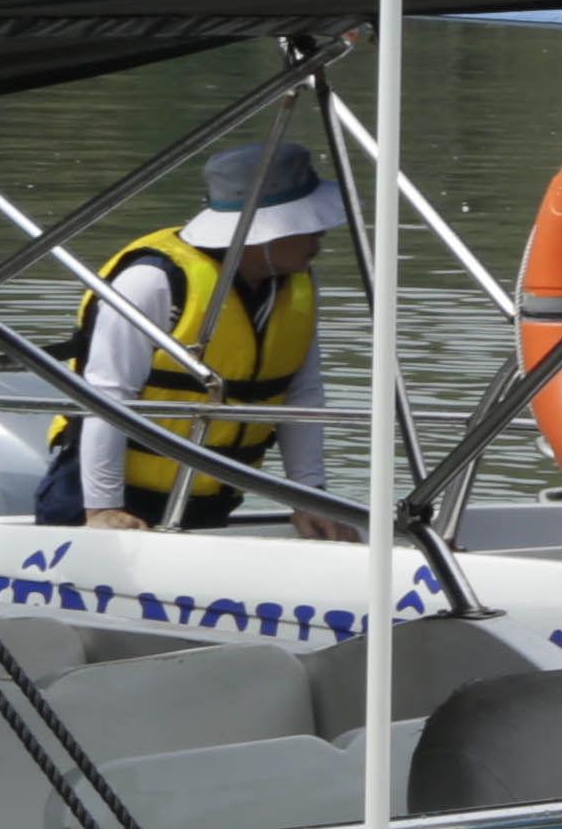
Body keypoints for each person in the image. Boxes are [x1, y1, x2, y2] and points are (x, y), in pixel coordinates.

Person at [45, 141, 351, 540]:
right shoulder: (154, 281)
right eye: (307, 224)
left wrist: (310, 497)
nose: (321, 234)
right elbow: (107, 396)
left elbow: (302, 392)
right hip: (104, 501)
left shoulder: (299, 284)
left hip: (208, 502)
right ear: (263, 233)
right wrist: (103, 509)